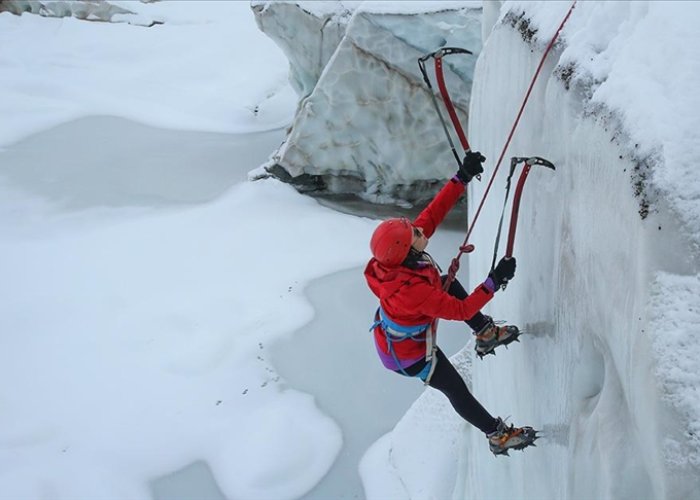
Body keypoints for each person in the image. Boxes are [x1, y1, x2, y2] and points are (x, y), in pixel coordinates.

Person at [364, 151, 537, 456]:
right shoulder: (411, 291)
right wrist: (492, 283)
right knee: (455, 388)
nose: (420, 229)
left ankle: (485, 334)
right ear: (405, 249)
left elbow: (431, 215)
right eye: (414, 233)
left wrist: (462, 178)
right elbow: (461, 310)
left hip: (400, 335)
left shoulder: (402, 255)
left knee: (447, 281)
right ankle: (497, 435)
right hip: (410, 356)